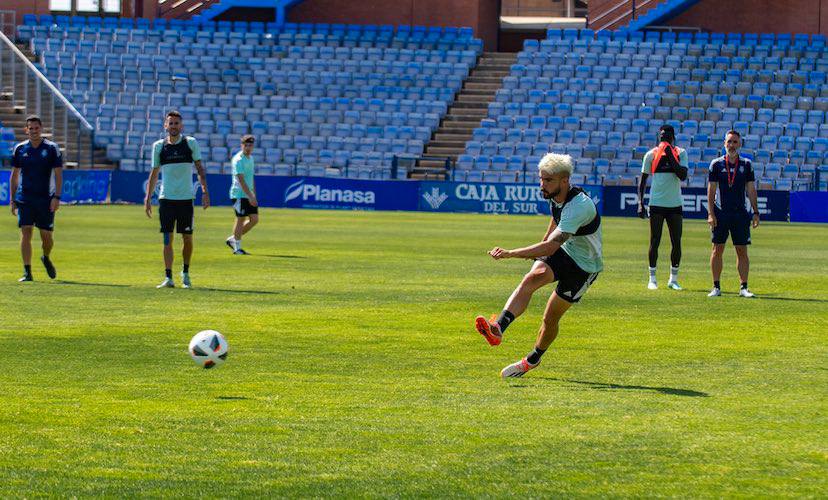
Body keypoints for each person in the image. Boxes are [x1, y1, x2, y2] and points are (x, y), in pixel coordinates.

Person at [474, 153, 602, 378]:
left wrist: (511, 253)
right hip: (565, 251)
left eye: (548, 180)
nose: (542, 185)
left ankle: (532, 360)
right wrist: (541, 247)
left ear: (564, 181)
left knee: (550, 318)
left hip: (584, 266)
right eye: (541, 179)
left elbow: (551, 246)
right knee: (531, 278)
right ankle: (498, 329)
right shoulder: (555, 195)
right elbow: (555, 221)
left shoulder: (579, 206)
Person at [144, 110, 210, 289]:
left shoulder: (190, 143)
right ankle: (168, 277)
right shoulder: (159, 146)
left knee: (187, 238)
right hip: (166, 199)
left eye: (176, 123)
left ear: (181, 126)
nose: (173, 126)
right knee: (167, 239)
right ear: (166, 126)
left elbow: (200, 169)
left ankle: (186, 273)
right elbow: (154, 173)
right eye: (170, 123)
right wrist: (148, 198)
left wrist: (204, 191)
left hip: (186, 199)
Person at [8, 115, 62, 282]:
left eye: (36, 128)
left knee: (46, 236)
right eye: (30, 128)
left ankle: (45, 257)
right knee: (26, 232)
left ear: (41, 128)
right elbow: (14, 175)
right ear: (26, 130)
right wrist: (12, 199)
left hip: (46, 199)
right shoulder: (20, 149)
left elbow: (59, 175)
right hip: (25, 198)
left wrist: (57, 197)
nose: (33, 131)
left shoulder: (52, 148)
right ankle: (27, 272)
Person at [706, 130, 760, 298]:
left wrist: (756, 212)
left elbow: (751, 189)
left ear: (740, 144)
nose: (732, 145)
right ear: (724, 144)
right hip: (721, 214)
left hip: (740, 214)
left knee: (741, 250)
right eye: (729, 142)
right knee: (717, 249)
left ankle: (744, 287)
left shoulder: (747, 164)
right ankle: (716, 287)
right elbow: (711, 190)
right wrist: (711, 213)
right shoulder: (716, 164)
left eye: (735, 142)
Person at [638, 124, 688, 290]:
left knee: (677, 242)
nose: (664, 137)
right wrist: (640, 203)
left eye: (667, 135)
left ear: (673, 136)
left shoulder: (680, 153)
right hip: (657, 204)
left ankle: (673, 279)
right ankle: (652, 279)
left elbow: (682, 175)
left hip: (675, 205)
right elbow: (643, 181)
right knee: (655, 241)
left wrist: (669, 154)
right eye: (662, 135)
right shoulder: (651, 155)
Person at [225, 135, 259, 255]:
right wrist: (250, 196)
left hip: (248, 194)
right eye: (246, 145)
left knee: (254, 219)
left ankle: (233, 239)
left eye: (250, 145)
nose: (248, 147)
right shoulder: (238, 160)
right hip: (238, 194)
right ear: (242, 145)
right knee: (240, 219)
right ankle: (237, 248)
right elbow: (241, 180)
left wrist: (253, 193)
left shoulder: (251, 158)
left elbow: (251, 177)